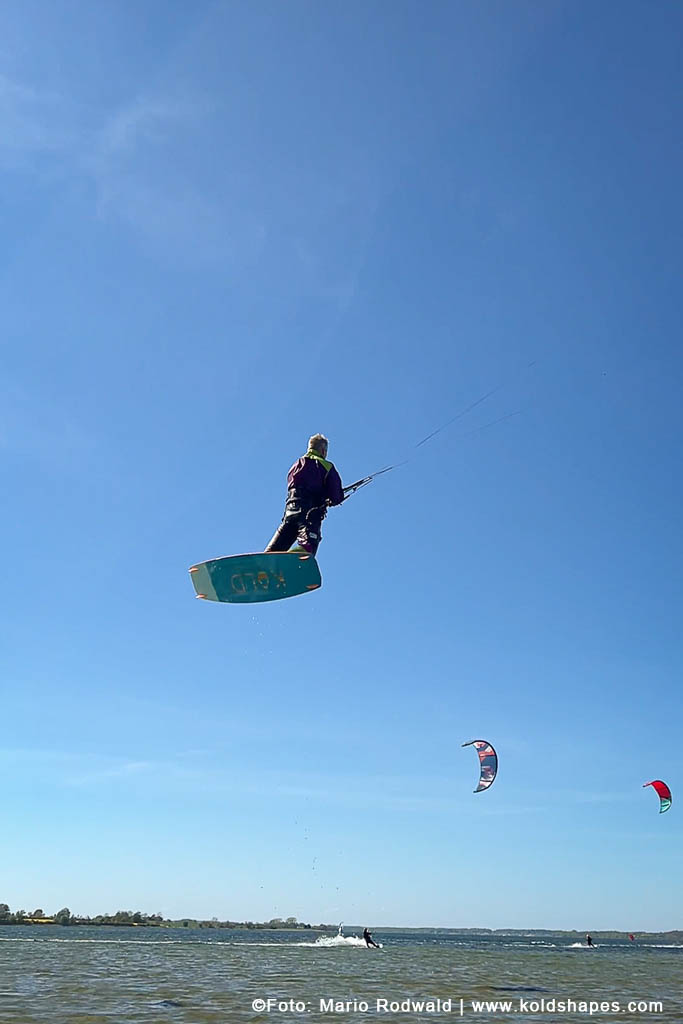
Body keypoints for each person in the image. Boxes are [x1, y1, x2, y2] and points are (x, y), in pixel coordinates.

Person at [265, 434, 344, 557]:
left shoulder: (295, 465)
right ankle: (290, 563)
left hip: (289, 514)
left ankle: (263, 566)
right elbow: (336, 496)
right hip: (309, 515)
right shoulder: (326, 466)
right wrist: (332, 499)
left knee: (274, 551)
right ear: (323, 451)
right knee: (308, 549)